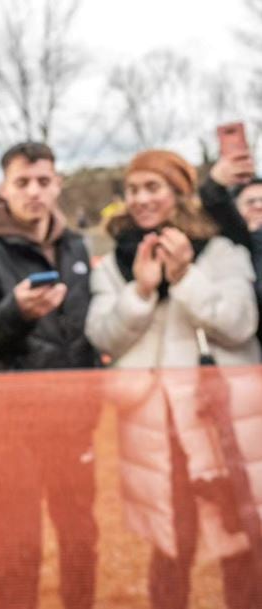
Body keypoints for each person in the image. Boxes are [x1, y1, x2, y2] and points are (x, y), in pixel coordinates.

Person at [86, 150, 262, 609]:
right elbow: (101, 334)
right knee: (170, 546)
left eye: (154, 188)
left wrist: (185, 277)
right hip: (154, 429)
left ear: (180, 193)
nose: (142, 199)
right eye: (134, 189)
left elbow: (240, 323)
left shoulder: (222, 251)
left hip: (217, 425)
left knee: (238, 543)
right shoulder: (115, 264)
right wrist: (141, 291)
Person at [0, 142, 99, 609]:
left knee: (82, 536)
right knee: (16, 544)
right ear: (3, 188)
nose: (34, 191)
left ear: (57, 184)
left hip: (75, 421)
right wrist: (15, 312)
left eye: (43, 181)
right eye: (23, 182)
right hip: (8, 429)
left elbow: (86, 328)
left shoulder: (75, 245)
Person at [200, 153, 262, 342]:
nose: (259, 206)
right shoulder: (236, 244)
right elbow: (216, 204)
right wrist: (215, 183)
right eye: (250, 202)